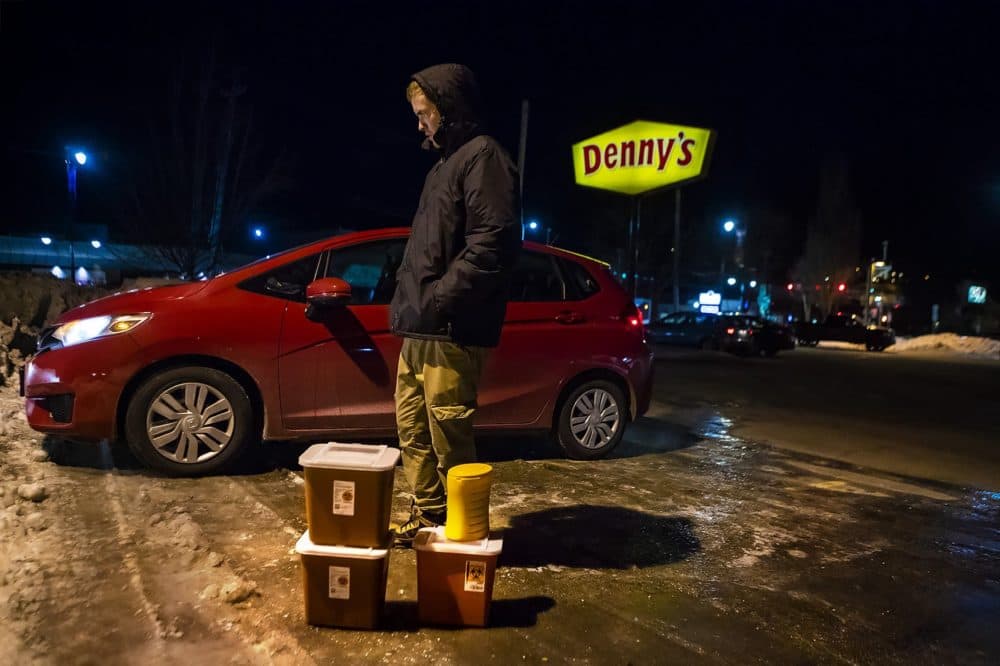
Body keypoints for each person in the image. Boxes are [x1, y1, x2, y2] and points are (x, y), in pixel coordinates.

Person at [389, 63, 521, 546]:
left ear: (449, 108)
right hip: (422, 328)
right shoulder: (443, 165)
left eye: (424, 113)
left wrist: (438, 300)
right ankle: (429, 518)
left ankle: (465, 536)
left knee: (449, 436)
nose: (419, 123)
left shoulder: (483, 157)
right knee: (413, 429)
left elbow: (493, 245)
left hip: (450, 328)